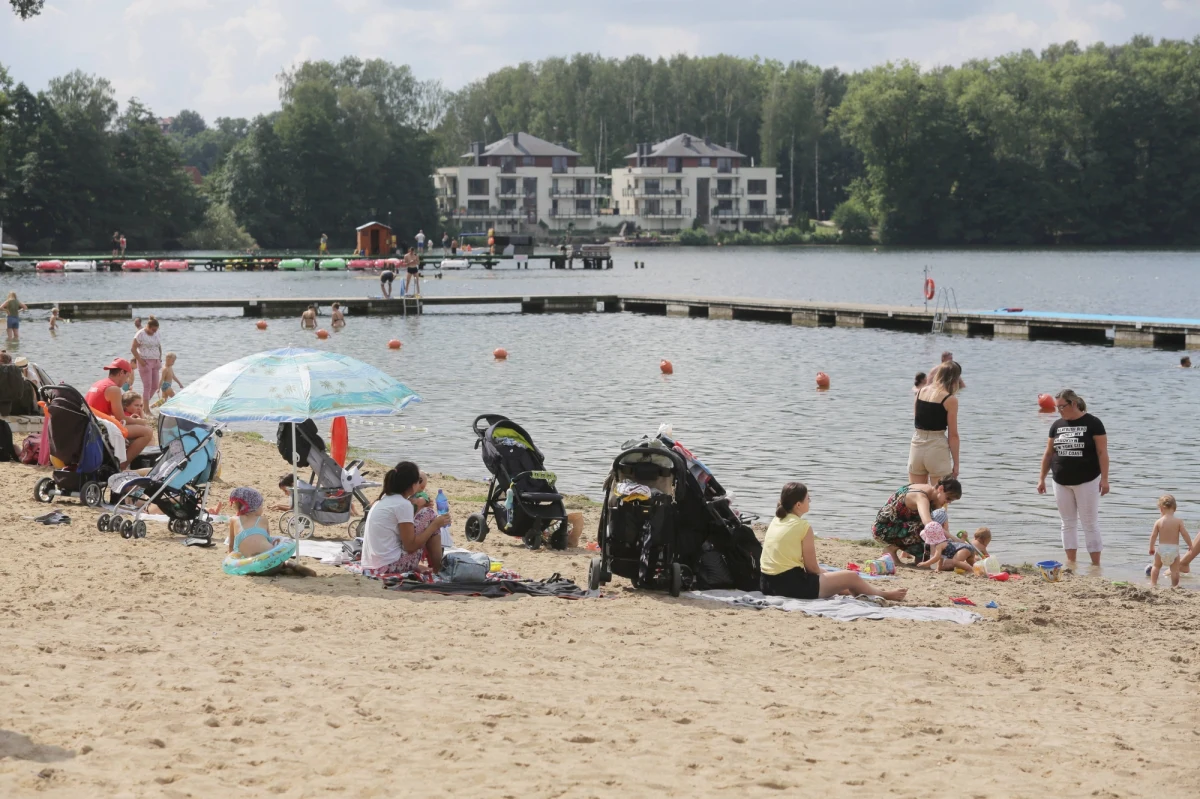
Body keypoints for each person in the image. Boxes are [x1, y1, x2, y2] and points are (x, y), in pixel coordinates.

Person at [760, 482, 908, 601]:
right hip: (790, 586)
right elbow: (812, 568)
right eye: (807, 498)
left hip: (767, 584)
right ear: (798, 505)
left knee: (839, 580)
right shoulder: (803, 526)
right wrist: (825, 572)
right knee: (850, 576)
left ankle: (856, 590)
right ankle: (883, 594)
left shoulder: (776, 520)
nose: (810, 501)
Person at [1037, 389, 1109, 568]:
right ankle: (1071, 563)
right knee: (1067, 523)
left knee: (1089, 523)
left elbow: (1102, 453)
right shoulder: (1056, 425)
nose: (1059, 410)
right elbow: (1048, 454)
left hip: (1087, 479)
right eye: (1057, 407)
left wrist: (1105, 479)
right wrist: (1041, 479)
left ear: (1074, 403)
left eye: (1062, 406)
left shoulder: (1093, 423)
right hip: (1060, 480)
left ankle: (1096, 565)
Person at [361, 461, 449, 576]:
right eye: (419, 481)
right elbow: (410, 546)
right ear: (412, 485)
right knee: (430, 514)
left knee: (427, 515)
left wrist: (419, 509)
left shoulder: (383, 499)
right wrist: (435, 525)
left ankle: (435, 567)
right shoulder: (403, 504)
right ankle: (438, 569)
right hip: (388, 566)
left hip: (372, 566)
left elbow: (404, 529)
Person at [226, 486, 316, 576]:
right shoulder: (263, 520)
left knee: (253, 560)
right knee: (282, 561)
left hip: (252, 568)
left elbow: (232, 546)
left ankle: (283, 570)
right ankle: (292, 565)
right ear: (254, 507)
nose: (262, 508)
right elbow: (268, 539)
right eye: (261, 506)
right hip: (272, 564)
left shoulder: (233, 520)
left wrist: (232, 560)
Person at [872, 478, 963, 564]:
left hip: (898, 524)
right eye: (948, 498)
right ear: (940, 488)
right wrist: (954, 539)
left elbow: (940, 524)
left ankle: (919, 556)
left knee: (935, 533)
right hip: (883, 529)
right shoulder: (921, 497)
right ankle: (891, 550)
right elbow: (929, 525)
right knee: (929, 530)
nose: (948, 502)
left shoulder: (931, 492)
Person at [85, 359, 154, 467]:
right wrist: (140, 421)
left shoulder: (98, 383)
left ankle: (120, 459)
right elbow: (121, 418)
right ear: (121, 373)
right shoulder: (114, 389)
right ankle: (122, 466)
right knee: (147, 432)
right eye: (127, 377)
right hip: (101, 428)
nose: (126, 381)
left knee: (137, 429)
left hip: (90, 424)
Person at [909, 360, 961, 485]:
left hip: (917, 444)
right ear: (955, 379)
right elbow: (953, 436)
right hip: (937, 447)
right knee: (940, 498)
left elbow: (916, 417)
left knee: (917, 496)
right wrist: (956, 464)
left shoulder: (921, 391)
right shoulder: (950, 400)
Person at [1148, 495, 1191, 588]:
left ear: (1161, 508)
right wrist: (1190, 545)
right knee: (1175, 570)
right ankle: (1174, 586)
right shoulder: (1178, 521)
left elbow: (1153, 536)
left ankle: (1153, 584)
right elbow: (1185, 534)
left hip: (1161, 549)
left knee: (1156, 567)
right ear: (1174, 509)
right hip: (1174, 550)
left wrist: (1151, 547)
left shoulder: (1158, 521)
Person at [131, 316, 164, 404]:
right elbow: (133, 349)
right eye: (153, 330)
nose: (155, 332)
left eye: (156, 330)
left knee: (155, 386)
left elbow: (159, 346)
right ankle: (146, 409)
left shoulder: (157, 333)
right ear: (148, 327)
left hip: (156, 362)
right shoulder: (140, 334)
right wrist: (140, 361)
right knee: (147, 386)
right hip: (145, 362)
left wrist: (160, 358)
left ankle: (142, 405)